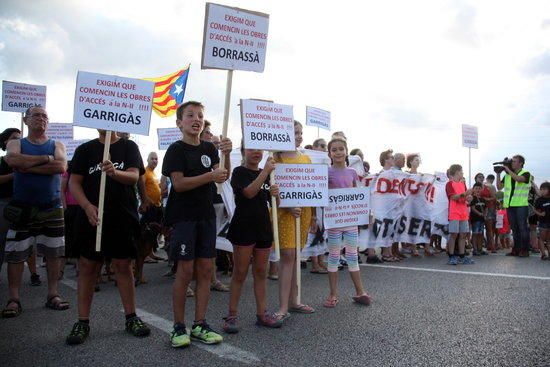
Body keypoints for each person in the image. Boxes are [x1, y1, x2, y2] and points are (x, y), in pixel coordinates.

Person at [65, 129, 150, 344]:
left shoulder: (128, 147)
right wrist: (85, 206)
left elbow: (133, 176)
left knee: (123, 266)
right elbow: (74, 182)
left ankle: (131, 317)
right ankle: (82, 321)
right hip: (91, 216)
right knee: (88, 267)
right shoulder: (85, 149)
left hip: (122, 215)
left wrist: (114, 172)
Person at [162, 101, 232, 348]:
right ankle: (179, 327)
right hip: (184, 218)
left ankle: (200, 323)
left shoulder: (209, 149)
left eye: (200, 115)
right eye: (190, 115)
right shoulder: (176, 150)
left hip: (206, 217)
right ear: (179, 123)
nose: (196, 119)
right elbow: (179, 184)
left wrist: (226, 154)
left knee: (205, 270)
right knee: (185, 271)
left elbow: (222, 177)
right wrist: (209, 177)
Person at [2, 106, 68, 318]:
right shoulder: (16, 143)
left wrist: (27, 165)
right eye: (36, 115)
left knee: (54, 252)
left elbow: (60, 167)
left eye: (45, 116)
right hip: (22, 208)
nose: (41, 119)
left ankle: (53, 294)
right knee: (16, 254)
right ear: (26, 119)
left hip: (52, 206)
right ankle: (14, 299)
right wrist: (46, 159)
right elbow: (12, 160)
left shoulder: (56, 144)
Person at [222, 147, 283, 333]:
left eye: (258, 150)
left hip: (263, 228)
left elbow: (275, 204)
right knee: (240, 272)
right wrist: (265, 172)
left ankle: (262, 313)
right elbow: (248, 193)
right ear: (243, 151)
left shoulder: (268, 175)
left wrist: (276, 194)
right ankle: (231, 315)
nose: (256, 153)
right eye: (251, 149)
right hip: (243, 228)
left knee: (261, 272)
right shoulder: (240, 172)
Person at [274, 120, 315, 320]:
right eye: (295, 132)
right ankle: (283, 306)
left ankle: (294, 300)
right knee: (287, 255)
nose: (299, 136)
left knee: (296, 255)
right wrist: (287, 204)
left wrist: (313, 214)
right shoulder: (276, 158)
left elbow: (312, 188)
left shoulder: (306, 159)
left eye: (300, 132)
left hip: (303, 212)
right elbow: (273, 188)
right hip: (285, 211)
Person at [323, 138, 372, 308]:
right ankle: (333, 294)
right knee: (334, 256)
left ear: (346, 151)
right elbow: (322, 195)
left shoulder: (352, 172)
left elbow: (355, 194)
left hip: (350, 220)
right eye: (334, 149)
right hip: (334, 221)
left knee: (352, 256)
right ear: (329, 153)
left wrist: (365, 212)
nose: (338, 152)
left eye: (341, 149)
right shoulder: (326, 172)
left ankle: (360, 292)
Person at [496, 155, 532, 257]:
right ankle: (516, 249)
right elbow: (499, 187)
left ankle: (525, 250)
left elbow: (518, 179)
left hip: (521, 205)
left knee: (522, 228)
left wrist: (507, 169)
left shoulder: (525, 173)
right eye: (512, 161)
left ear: (520, 163)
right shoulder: (507, 176)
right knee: (515, 229)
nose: (512, 163)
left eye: (514, 161)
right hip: (510, 206)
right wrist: (498, 174)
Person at [0, 128, 21, 278]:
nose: (18, 141)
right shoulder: (2, 161)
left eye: (20, 138)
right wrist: (15, 175)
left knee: (21, 242)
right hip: (4, 204)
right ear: (5, 141)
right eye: (14, 138)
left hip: (21, 204)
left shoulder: (23, 159)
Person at [445, 164, 475, 265]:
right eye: (461, 171)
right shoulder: (449, 184)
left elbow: (465, 197)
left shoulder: (463, 184)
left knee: (463, 235)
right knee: (454, 235)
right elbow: (453, 197)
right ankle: (451, 256)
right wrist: (465, 194)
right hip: (454, 213)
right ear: (457, 172)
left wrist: (469, 198)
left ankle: (462, 256)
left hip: (463, 212)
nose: (462, 173)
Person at [480, 173, 497, 253]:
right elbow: (494, 198)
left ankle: (491, 245)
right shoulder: (491, 186)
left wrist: (484, 199)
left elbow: (493, 198)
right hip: (487, 208)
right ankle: (491, 246)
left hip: (487, 208)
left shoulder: (487, 186)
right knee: (489, 229)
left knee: (488, 228)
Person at [469, 182, 487, 256]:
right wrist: (479, 214)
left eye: (479, 188)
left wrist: (485, 215)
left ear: (482, 189)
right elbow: (472, 208)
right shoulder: (472, 198)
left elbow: (486, 208)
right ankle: (475, 249)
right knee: (475, 234)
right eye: (476, 188)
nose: (478, 190)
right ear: (473, 189)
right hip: (475, 219)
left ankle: (480, 249)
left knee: (480, 234)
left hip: (482, 219)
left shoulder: (483, 199)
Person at [534, 182, 550, 260]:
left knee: (548, 239)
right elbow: (535, 210)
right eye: (541, 189)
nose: (542, 191)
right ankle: (543, 254)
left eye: (544, 189)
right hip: (543, 222)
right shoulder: (539, 200)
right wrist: (540, 214)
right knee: (541, 238)